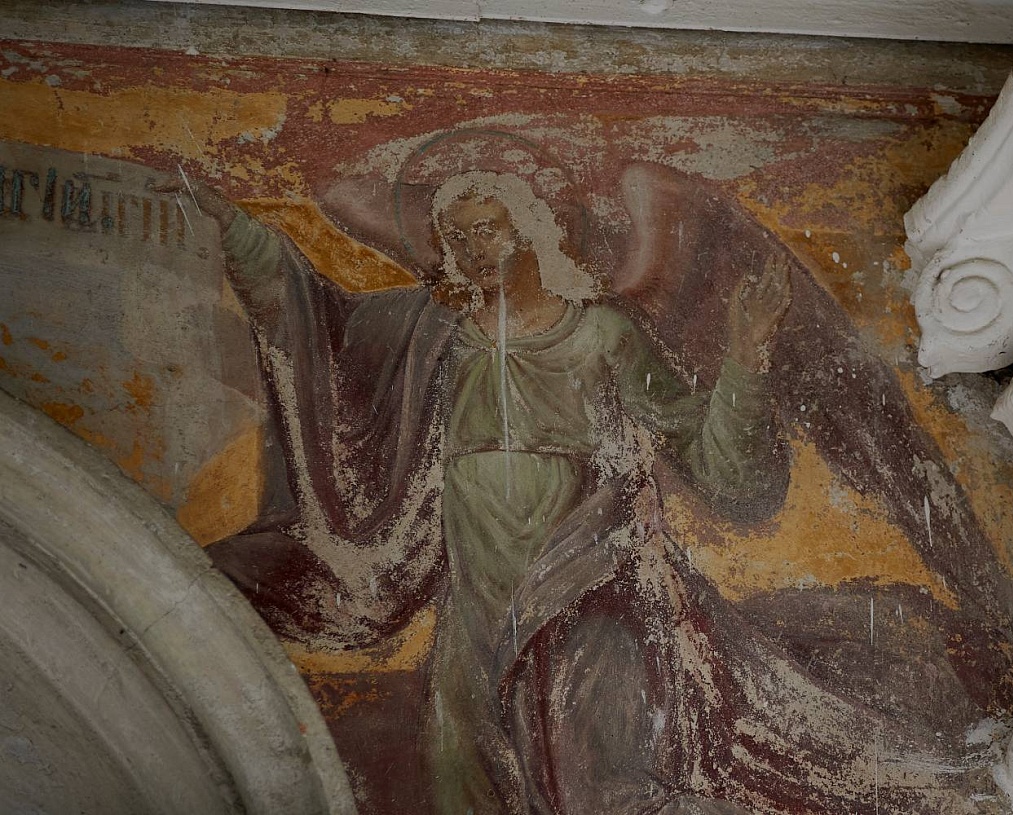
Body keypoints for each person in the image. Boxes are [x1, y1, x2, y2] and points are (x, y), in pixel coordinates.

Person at [172, 169, 798, 814]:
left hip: (579, 584)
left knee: (590, 771)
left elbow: (698, 446)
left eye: (487, 230)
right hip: (476, 594)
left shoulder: (599, 333)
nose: (472, 250)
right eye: (456, 238)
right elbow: (322, 328)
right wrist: (239, 232)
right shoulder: (433, 333)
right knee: (459, 765)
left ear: (529, 231)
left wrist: (745, 356)